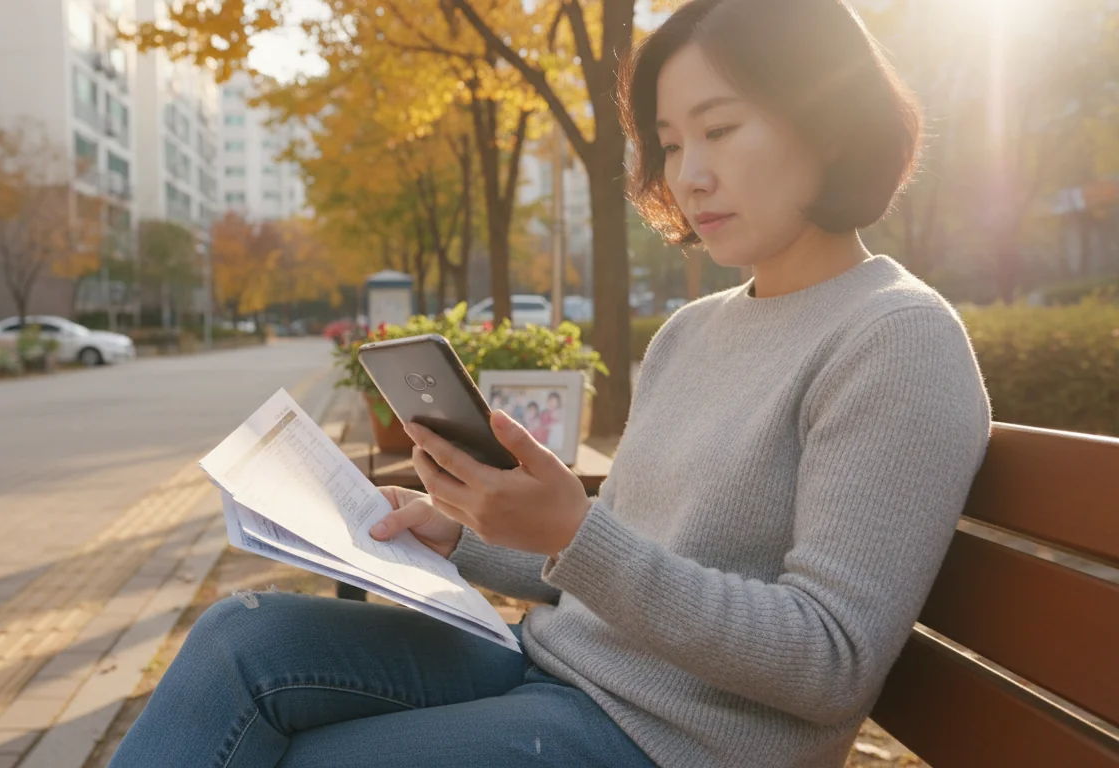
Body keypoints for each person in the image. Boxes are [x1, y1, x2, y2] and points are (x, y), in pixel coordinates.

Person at [108, 1, 990, 766]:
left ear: (830, 121)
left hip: (672, 743)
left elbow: (830, 661)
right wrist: (464, 538)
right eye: (672, 142)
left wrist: (575, 533)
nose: (688, 174)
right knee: (239, 640)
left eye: (720, 129)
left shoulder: (895, 339)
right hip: (558, 666)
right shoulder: (692, 331)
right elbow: (614, 566)